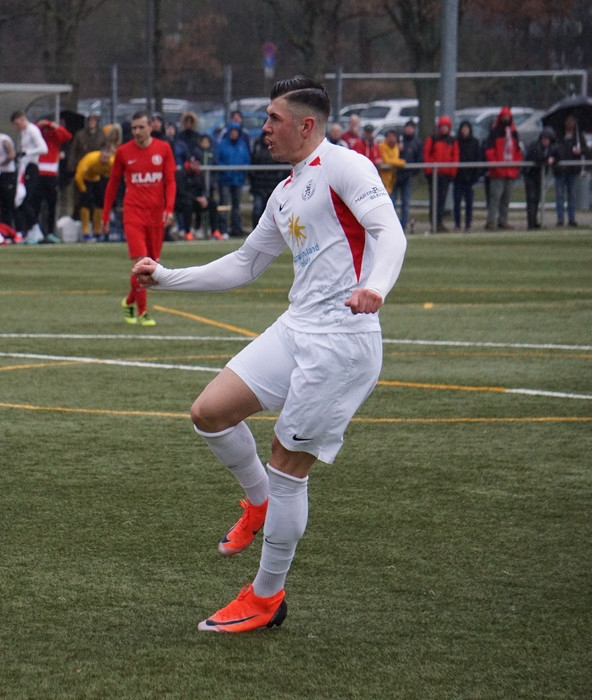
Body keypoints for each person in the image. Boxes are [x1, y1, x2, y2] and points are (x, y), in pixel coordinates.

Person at [132, 76, 406, 634]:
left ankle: (266, 596)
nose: (264, 128)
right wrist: (166, 277)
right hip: (296, 327)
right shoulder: (285, 190)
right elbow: (246, 263)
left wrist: (375, 286)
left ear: (306, 125)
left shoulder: (345, 167)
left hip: (341, 342)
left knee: (287, 466)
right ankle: (257, 502)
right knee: (209, 412)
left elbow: (390, 232)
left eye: (273, 119)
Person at [102, 110, 176, 327]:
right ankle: (143, 312)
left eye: (141, 127)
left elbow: (170, 181)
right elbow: (113, 184)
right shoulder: (124, 152)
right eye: (133, 128)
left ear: (150, 127)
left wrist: (169, 208)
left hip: (156, 216)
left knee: (153, 267)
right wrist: (105, 214)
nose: (136, 131)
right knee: (142, 263)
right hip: (133, 214)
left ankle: (128, 302)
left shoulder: (163, 149)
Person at [483, 107, 523, 231]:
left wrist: (516, 165)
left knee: (506, 199)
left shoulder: (514, 133)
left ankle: (503, 221)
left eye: (508, 117)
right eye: (504, 117)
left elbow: (518, 151)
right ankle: (491, 221)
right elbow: (489, 151)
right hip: (497, 172)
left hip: (510, 170)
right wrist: (496, 165)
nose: (506, 119)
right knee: (495, 198)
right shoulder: (494, 132)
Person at [12, 110, 49, 243]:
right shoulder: (23, 132)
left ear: (23, 119)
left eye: (18, 124)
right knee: (20, 200)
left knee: (25, 200)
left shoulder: (32, 130)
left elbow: (44, 148)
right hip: (24, 167)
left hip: (31, 167)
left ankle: (36, 229)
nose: (18, 127)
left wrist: (27, 152)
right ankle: (30, 229)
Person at [35, 118, 72, 242]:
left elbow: (67, 136)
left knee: (51, 204)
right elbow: (31, 130)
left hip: (51, 172)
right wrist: (41, 125)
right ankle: (38, 231)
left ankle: (50, 231)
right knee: (37, 204)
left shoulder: (55, 134)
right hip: (39, 171)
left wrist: (52, 125)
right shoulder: (38, 133)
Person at [424, 115, 459, 232]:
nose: (444, 128)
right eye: (442, 126)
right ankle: (434, 223)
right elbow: (427, 155)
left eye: (446, 126)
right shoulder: (433, 139)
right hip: (434, 175)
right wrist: (429, 171)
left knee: (442, 200)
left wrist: (452, 173)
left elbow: (455, 157)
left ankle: (439, 222)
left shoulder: (452, 141)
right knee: (434, 199)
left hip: (445, 174)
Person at [554, 114, 590, 227]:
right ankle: (560, 219)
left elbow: (587, 150)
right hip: (560, 169)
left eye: (572, 121)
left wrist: (580, 150)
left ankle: (571, 218)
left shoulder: (578, 136)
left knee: (572, 195)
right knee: (560, 194)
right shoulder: (559, 135)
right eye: (568, 120)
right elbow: (554, 149)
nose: (570, 123)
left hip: (572, 170)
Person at [215, 121, 250, 237]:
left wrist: (241, 174)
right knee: (224, 204)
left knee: (236, 206)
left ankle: (236, 228)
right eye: (232, 131)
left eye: (236, 131)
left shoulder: (242, 145)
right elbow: (218, 160)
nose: (234, 133)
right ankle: (223, 228)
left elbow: (246, 160)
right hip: (225, 179)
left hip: (238, 180)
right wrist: (227, 172)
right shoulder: (222, 145)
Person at [248, 134, 290, 229]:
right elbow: (252, 164)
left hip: (273, 184)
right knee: (258, 209)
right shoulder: (257, 147)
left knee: (272, 211)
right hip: (259, 184)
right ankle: (256, 229)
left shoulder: (278, 148)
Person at [73, 146, 115, 242]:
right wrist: (83, 190)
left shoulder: (111, 162)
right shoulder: (91, 159)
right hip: (85, 179)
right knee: (86, 204)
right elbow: (78, 176)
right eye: (104, 157)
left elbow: (112, 176)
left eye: (108, 158)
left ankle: (97, 231)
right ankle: (85, 232)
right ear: (101, 154)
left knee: (100, 203)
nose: (105, 160)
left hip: (96, 178)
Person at [174, 158, 216, 240]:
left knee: (212, 203)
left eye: (198, 164)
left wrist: (203, 198)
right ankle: (188, 232)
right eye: (194, 164)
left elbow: (203, 189)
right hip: (182, 201)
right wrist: (195, 198)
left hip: (197, 200)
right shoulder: (181, 174)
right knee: (187, 205)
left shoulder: (200, 174)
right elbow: (181, 191)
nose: (196, 166)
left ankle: (214, 231)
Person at [523, 128, 557, 230]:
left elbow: (558, 154)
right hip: (530, 175)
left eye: (548, 139)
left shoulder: (551, 148)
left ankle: (534, 221)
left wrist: (553, 159)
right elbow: (536, 158)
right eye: (544, 139)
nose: (545, 141)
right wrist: (546, 160)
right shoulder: (535, 146)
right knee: (531, 199)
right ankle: (531, 223)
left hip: (539, 177)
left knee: (537, 199)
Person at [452, 120, 483, 231]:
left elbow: (478, 159)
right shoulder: (456, 142)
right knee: (457, 202)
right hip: (458, 178)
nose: (465, 131)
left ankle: (468, 224)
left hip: (470, 178)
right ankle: (457, 224)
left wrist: (475, 175)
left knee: (469, 203)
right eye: (463, 128)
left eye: (466, 128)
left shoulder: (475, 142)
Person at [395, 120, 422, 233]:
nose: (409, 129)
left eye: (411, 128)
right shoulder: (398, 140)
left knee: (405, 201)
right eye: (407, 127)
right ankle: (394, 224)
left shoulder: (416, 142)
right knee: (392, 201)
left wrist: (413, 172)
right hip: (395, 175)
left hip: (408, 176)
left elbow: (419, 159)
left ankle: (404, 224)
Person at [376, 128, 405, 197]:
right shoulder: (382, 146)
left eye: (393, 136)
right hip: (383, 179)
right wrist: (401, 162)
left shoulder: (396, 147)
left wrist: (397, 162)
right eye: (389, 136)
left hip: (393, 178)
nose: (391, 138)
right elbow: (387, 160)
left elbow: (394, 159)